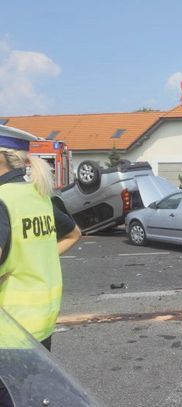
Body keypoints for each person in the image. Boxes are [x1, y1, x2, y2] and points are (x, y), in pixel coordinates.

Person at [0, 125, 81, 351]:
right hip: (41, 325)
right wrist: (34, 258)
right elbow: (74, 234)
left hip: (8, 330)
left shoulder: (2, 199)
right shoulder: (39, 195)